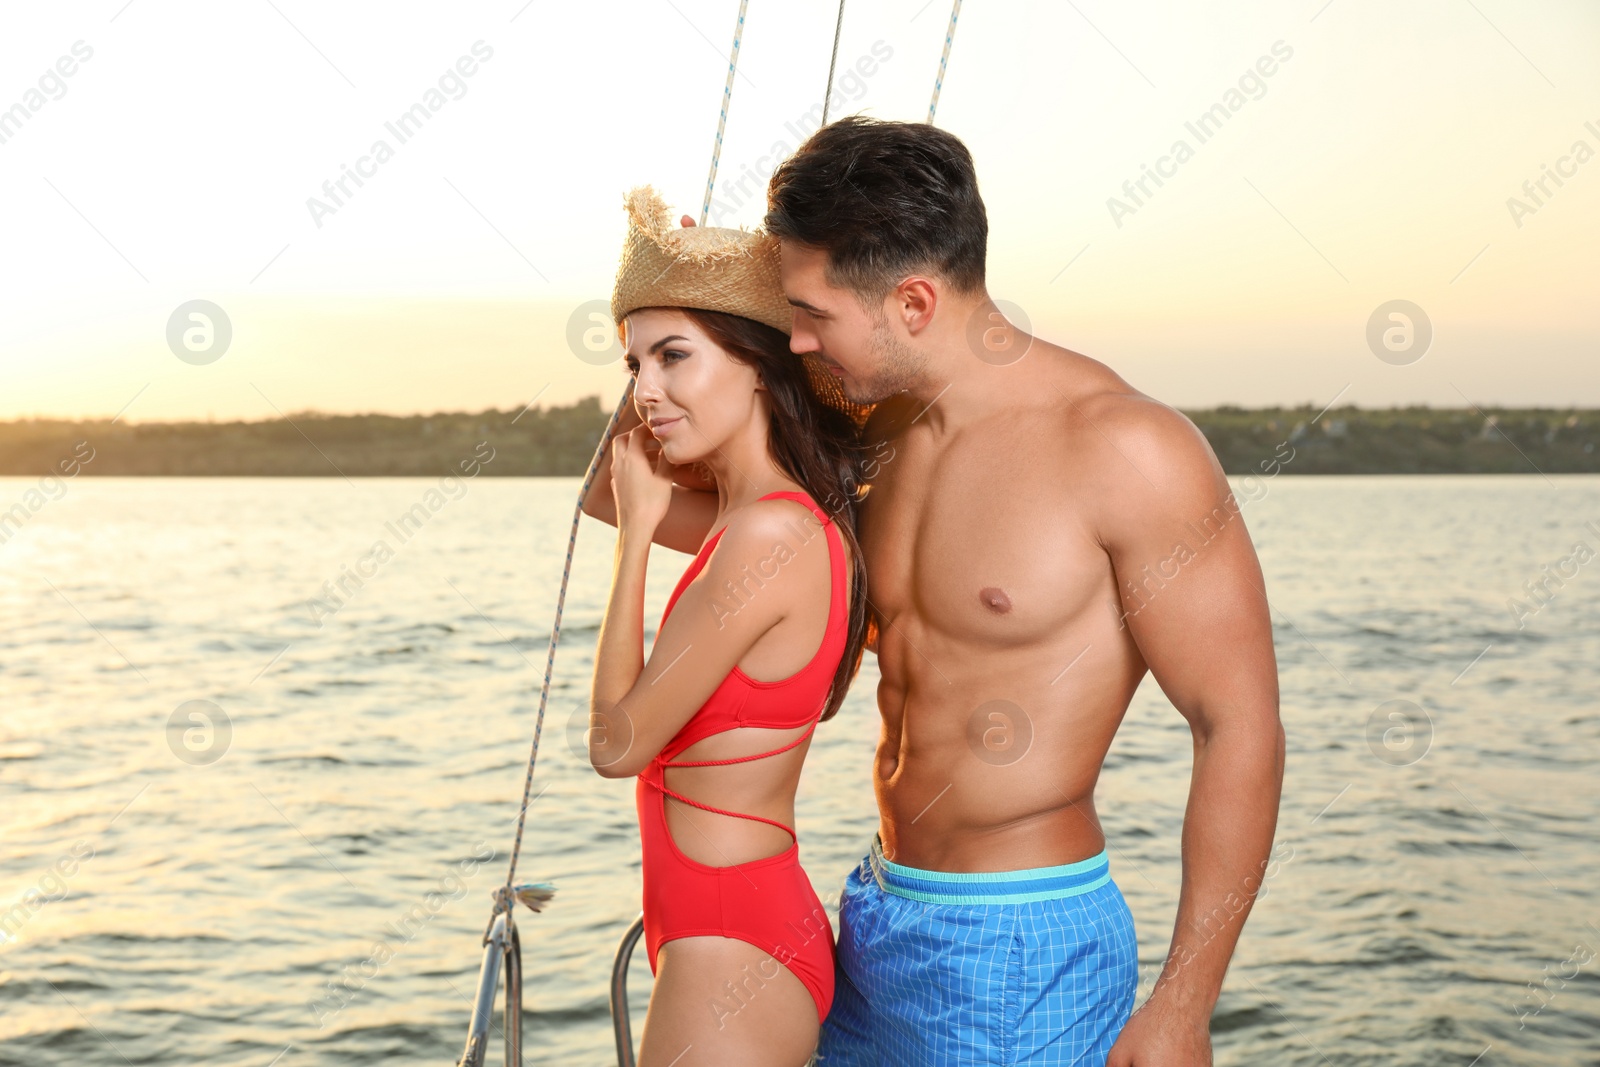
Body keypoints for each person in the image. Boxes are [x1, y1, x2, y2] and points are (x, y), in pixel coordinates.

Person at [761, 117, 1287, 1066]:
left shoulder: (1126, 449)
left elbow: (1237, 723)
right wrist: (684, 285)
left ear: (914, 301)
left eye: (812, 312)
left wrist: (1184, 1004)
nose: (796, 339)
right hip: (877, 912)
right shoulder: (873, 431)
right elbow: (645, 493)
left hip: (1023, 946)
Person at [583, 186, 872, 1067]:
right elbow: (602, 486)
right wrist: (663, 278)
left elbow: (617, 742)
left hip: (732, 943)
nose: (650, 390)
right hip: (718, 928)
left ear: (756, 362)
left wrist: (637, 541)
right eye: (635, 366)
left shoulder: (765, 535)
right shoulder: (754, 517)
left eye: (677, 356)